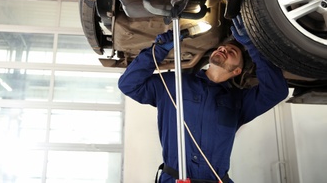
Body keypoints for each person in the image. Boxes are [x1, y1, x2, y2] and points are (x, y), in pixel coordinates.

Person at [118, 15, 289, 183]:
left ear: (237, 70)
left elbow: (277, 91)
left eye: (232, 52)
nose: (224, 49)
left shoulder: (239, 102)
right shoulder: (173, 83)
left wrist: (252, 45)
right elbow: (129, 84)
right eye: (222, 48)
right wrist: (159, 50)